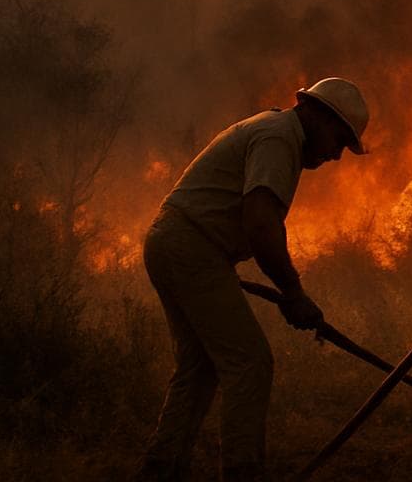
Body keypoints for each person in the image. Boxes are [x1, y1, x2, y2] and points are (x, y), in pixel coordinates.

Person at [137, 77, 369, 482]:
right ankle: (243, 473)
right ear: (315, 114)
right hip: (191, 245)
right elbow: (261, 223)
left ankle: (161, 469)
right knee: (250, 363)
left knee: (200, 366)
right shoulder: (280, 138)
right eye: (339, 138)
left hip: (175, 240)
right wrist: (293, 292)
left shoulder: (273, 131)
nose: (336, 154)